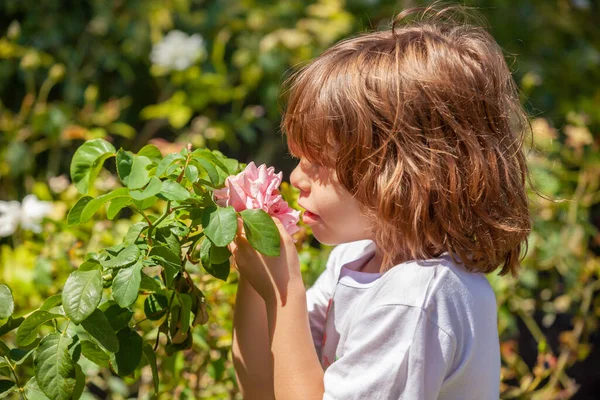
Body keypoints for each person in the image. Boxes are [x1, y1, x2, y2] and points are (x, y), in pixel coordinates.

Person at [229, 3, 532, 399]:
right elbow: (262, 386)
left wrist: (285, 289)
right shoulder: (360, 257)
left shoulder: (416, 296)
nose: (297, 178)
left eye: (319, 163)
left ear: (400, 175)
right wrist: (261, 278)